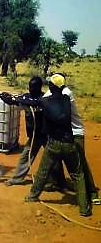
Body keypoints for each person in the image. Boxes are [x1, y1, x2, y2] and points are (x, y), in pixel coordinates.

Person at [23, 74, 91, 216]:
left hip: (53, 143)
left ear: (51, 86)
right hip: (69, 143)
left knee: (43, 170)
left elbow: (30, 102)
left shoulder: (45, 101)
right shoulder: (67, 99)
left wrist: (9, 98)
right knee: (78, 175)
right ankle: (84, 208)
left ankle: (33, 195)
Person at [43, 73, 100, 204]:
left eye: (51, 83)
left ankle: (92, 193)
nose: (49, 85)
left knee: (80, 165)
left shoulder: (66, 95)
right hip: (63, 134)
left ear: (56, 86)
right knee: (55, 159)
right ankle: (57, 182)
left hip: (74, 134)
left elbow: (44, 100)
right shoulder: (56, 92)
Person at [0, 77, 48, 186]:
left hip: (47, 134)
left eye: (33, 87)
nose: (30, 89)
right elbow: (10, 100)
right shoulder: (26, 97)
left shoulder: (44, 98)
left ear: (39, 88)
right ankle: (17, 178)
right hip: (35, 136)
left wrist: (17, 99)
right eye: (30, 87)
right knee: (25, 156)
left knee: (52, 159)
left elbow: (33, 102)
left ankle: (56, 181)